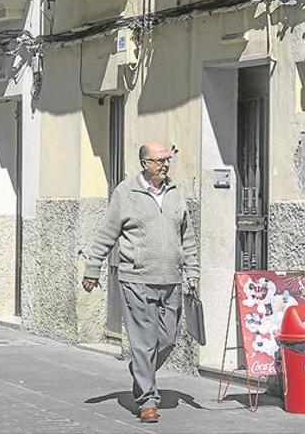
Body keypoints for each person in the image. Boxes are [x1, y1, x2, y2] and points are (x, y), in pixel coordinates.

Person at [80, 142, 200, 423]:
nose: (165, 165)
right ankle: (148, 399)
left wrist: (192, 271)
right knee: (143, 342)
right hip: (136, 278)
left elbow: (188, 238)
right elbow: (107, 233)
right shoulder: (126, 193)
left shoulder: (176, 192)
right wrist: (92, 268)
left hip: (171, 279)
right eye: (159, 160)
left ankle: (141, 371)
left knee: (168, 338)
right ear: (144, 163)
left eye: (167, 159)